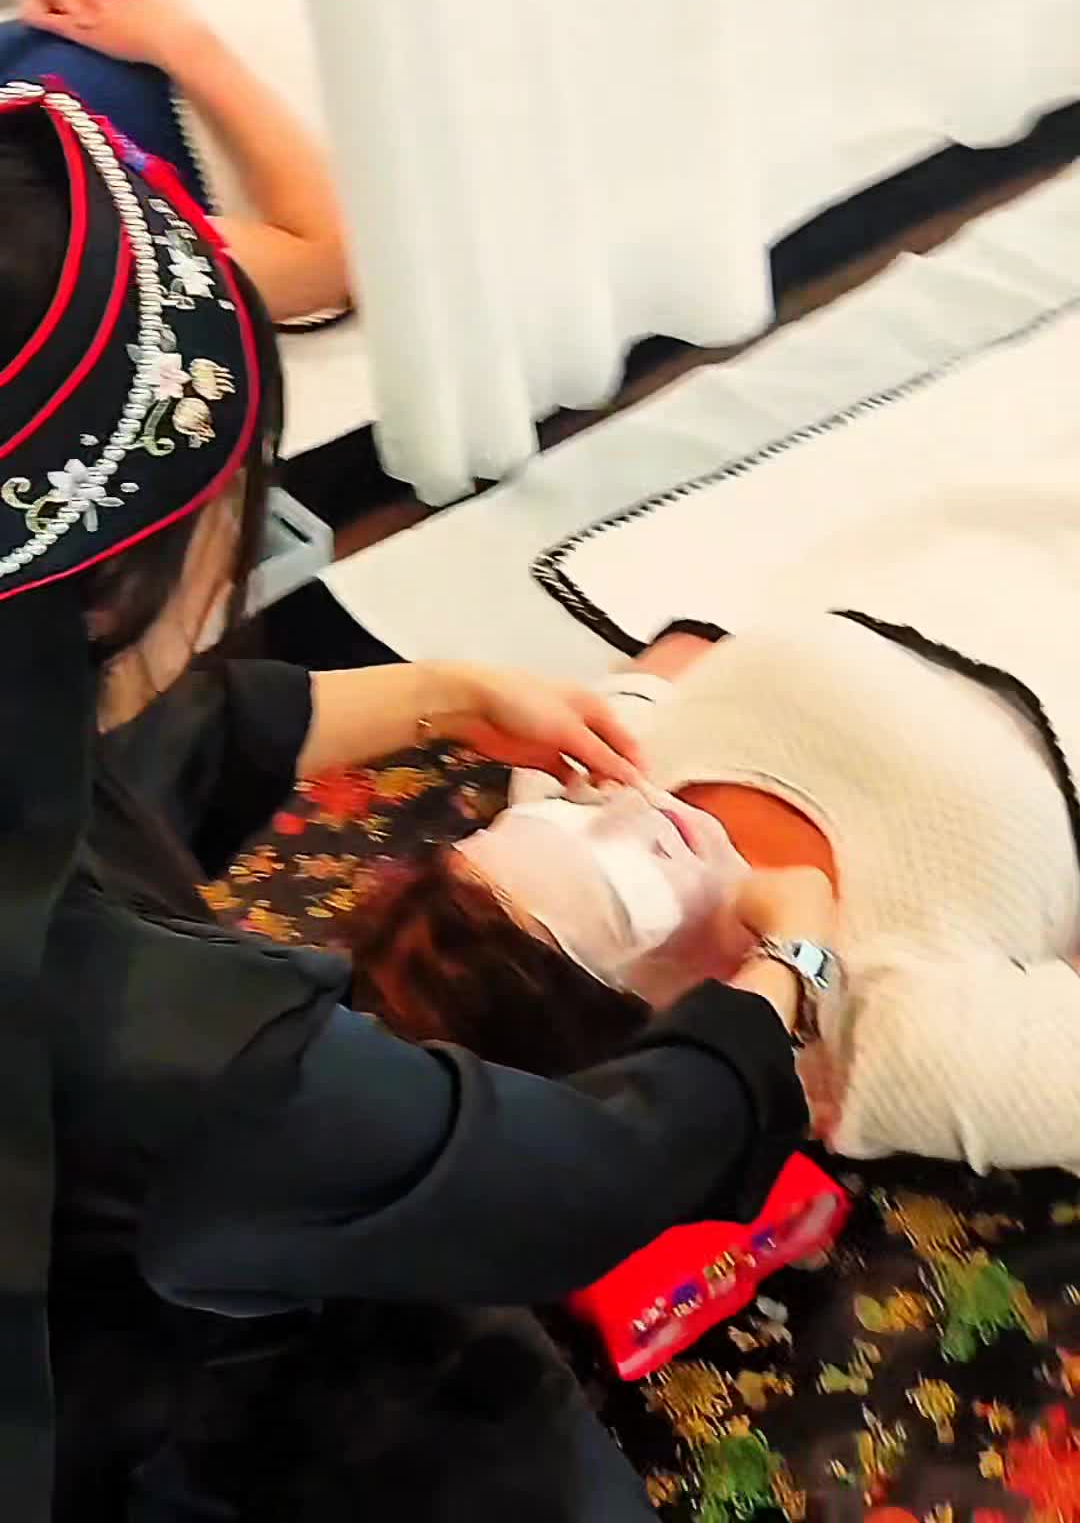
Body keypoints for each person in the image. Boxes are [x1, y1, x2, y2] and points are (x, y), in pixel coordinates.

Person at [0, 84, 820, 1520]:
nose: (637, 807)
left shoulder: (52, 718)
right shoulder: (152, 1049)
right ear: (107, 590)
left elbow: (164, 736)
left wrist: (448, 692)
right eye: (233, 512)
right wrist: (801, 968)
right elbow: (590, 1177)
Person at [361, 614, 1080, 1176]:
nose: (631, 807)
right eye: (624, 883)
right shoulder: (891, 1041)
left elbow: (676, 651)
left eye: (564, 819)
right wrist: (800, 960)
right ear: (663, 1027)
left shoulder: (593, 766)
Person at [16, 0, 350, 324]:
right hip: (262, 92)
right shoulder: (31, 246)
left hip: (155, 6)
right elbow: (328, 264)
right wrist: (183, 43)